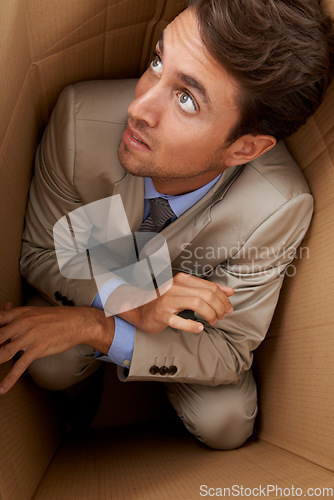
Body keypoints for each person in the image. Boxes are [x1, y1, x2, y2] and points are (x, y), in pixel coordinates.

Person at [0, 0, 333, 449]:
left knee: (227, 422)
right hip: (101, 254)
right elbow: (41, 251)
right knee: (50, 364)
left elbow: (230, 349)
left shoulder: (278, 207)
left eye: (186, 100)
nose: (139, 108)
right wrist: (132, 301)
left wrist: (101, 329)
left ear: (246, 148)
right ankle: (83, 391)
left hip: (186, 323)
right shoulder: (80, 118)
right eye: (158, 61)